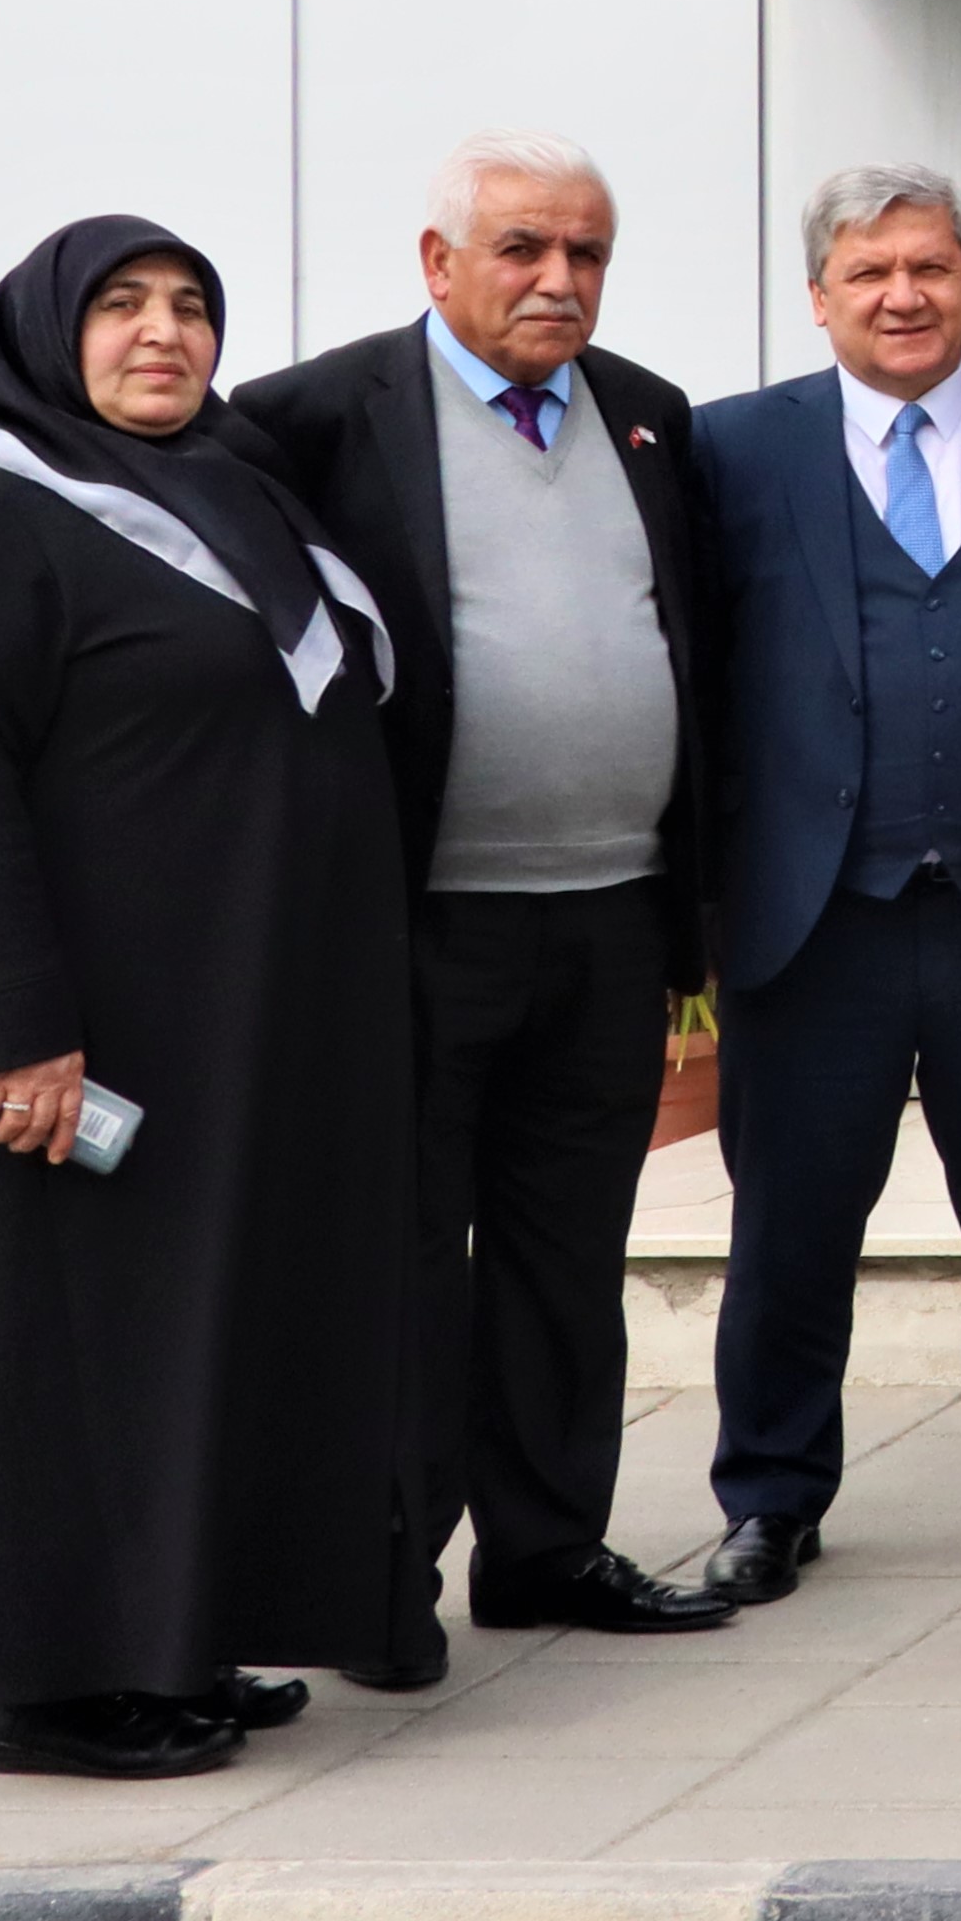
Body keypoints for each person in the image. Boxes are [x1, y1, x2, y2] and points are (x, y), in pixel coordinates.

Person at [0, 220, 413, 1778]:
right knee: (71, 1339)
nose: (162, 332)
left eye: (190, 305)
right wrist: (12, 1026)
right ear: (50, 333)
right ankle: (54, 1686)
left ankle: (178, 1637)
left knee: (206, 1326)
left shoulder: (238, 488)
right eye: (120, 306)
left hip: (243, 1011)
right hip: (85, 1028)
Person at [237, 132, 734, 1671]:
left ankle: (548, 1546)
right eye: (522, 247)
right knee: (399, 1261)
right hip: (416, 925)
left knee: (565, 1257)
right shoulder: (311, 417)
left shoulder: (646, 414)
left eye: (585, 252)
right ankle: (382, 1572)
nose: (558, 279)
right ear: (438, 259)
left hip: (609, 917)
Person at [684, 168, 961, 1603]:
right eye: (869, 272)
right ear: (818, 296)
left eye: (930, 266)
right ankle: (770, 1494)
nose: (903, 295)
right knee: (791, 1227)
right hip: (817, 921)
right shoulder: (730, 448)